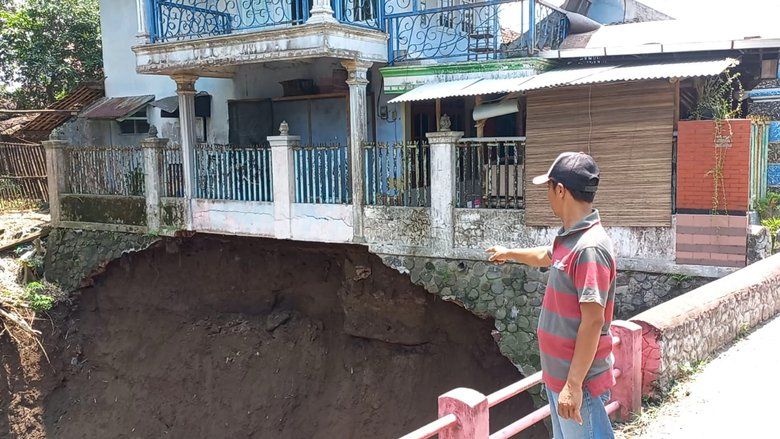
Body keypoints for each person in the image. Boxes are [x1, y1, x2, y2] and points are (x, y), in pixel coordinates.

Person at [485, 152, 616, 439]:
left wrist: (573, 384)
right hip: (562, 379)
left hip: (578, 384)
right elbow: (547, 255)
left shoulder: (588, 248)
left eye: (548, 187)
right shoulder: (571, 238)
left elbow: (593, 321)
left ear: (560, 190)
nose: (547, 194)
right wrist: (509, 253)